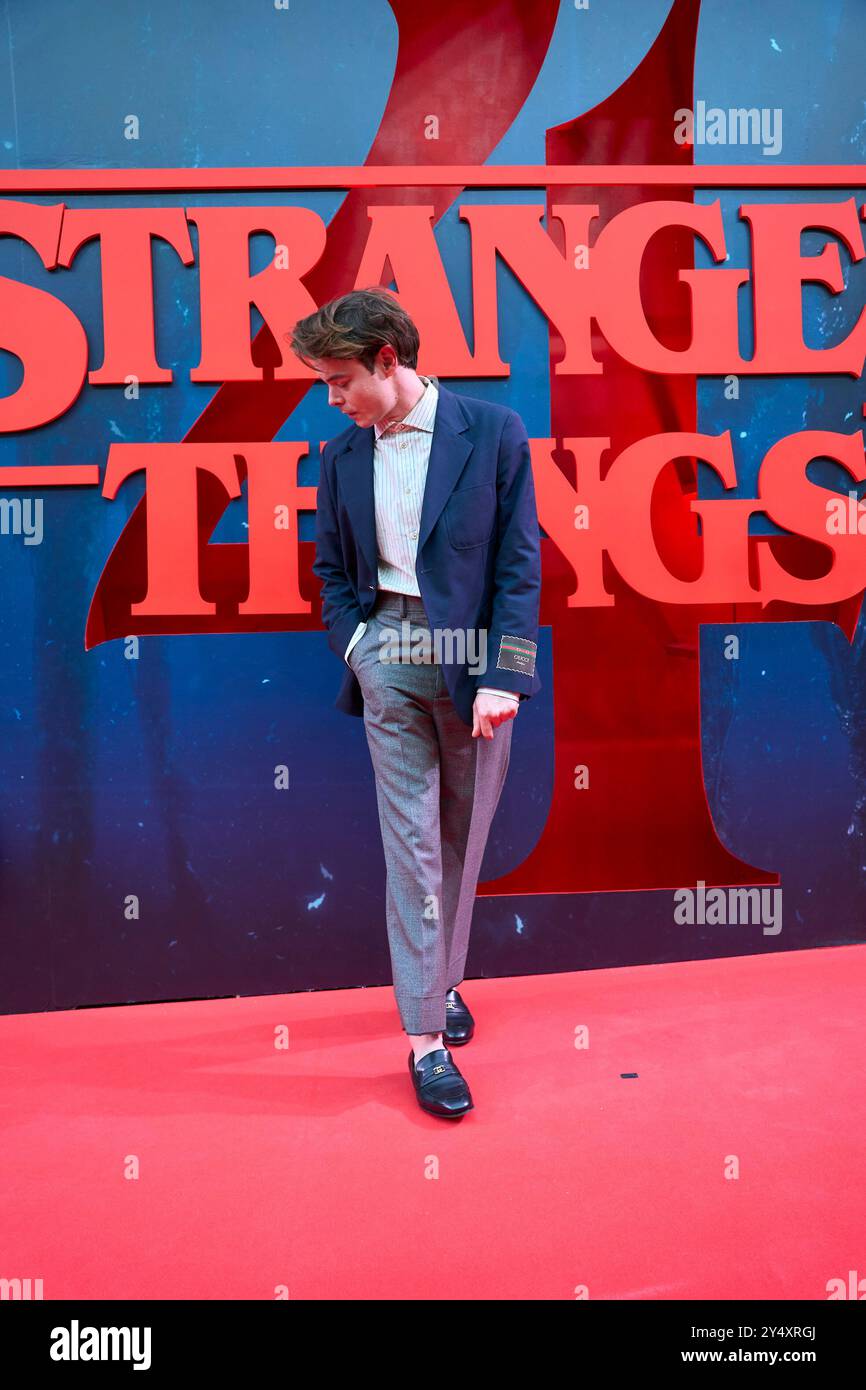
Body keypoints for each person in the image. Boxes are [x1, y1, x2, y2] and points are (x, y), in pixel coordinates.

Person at [288, 287, 542, 1118]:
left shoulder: (494, 432)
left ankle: (445, 980)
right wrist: (360, 650)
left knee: (461, 841)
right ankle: (425, 1038)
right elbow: (330, 574)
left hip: (472, 659)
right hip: (388, 654)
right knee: (412, 849)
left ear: (387, 361)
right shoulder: (340, 458)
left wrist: (504, 675)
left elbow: (518, 565)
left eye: (337, 381)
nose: (331, 400)